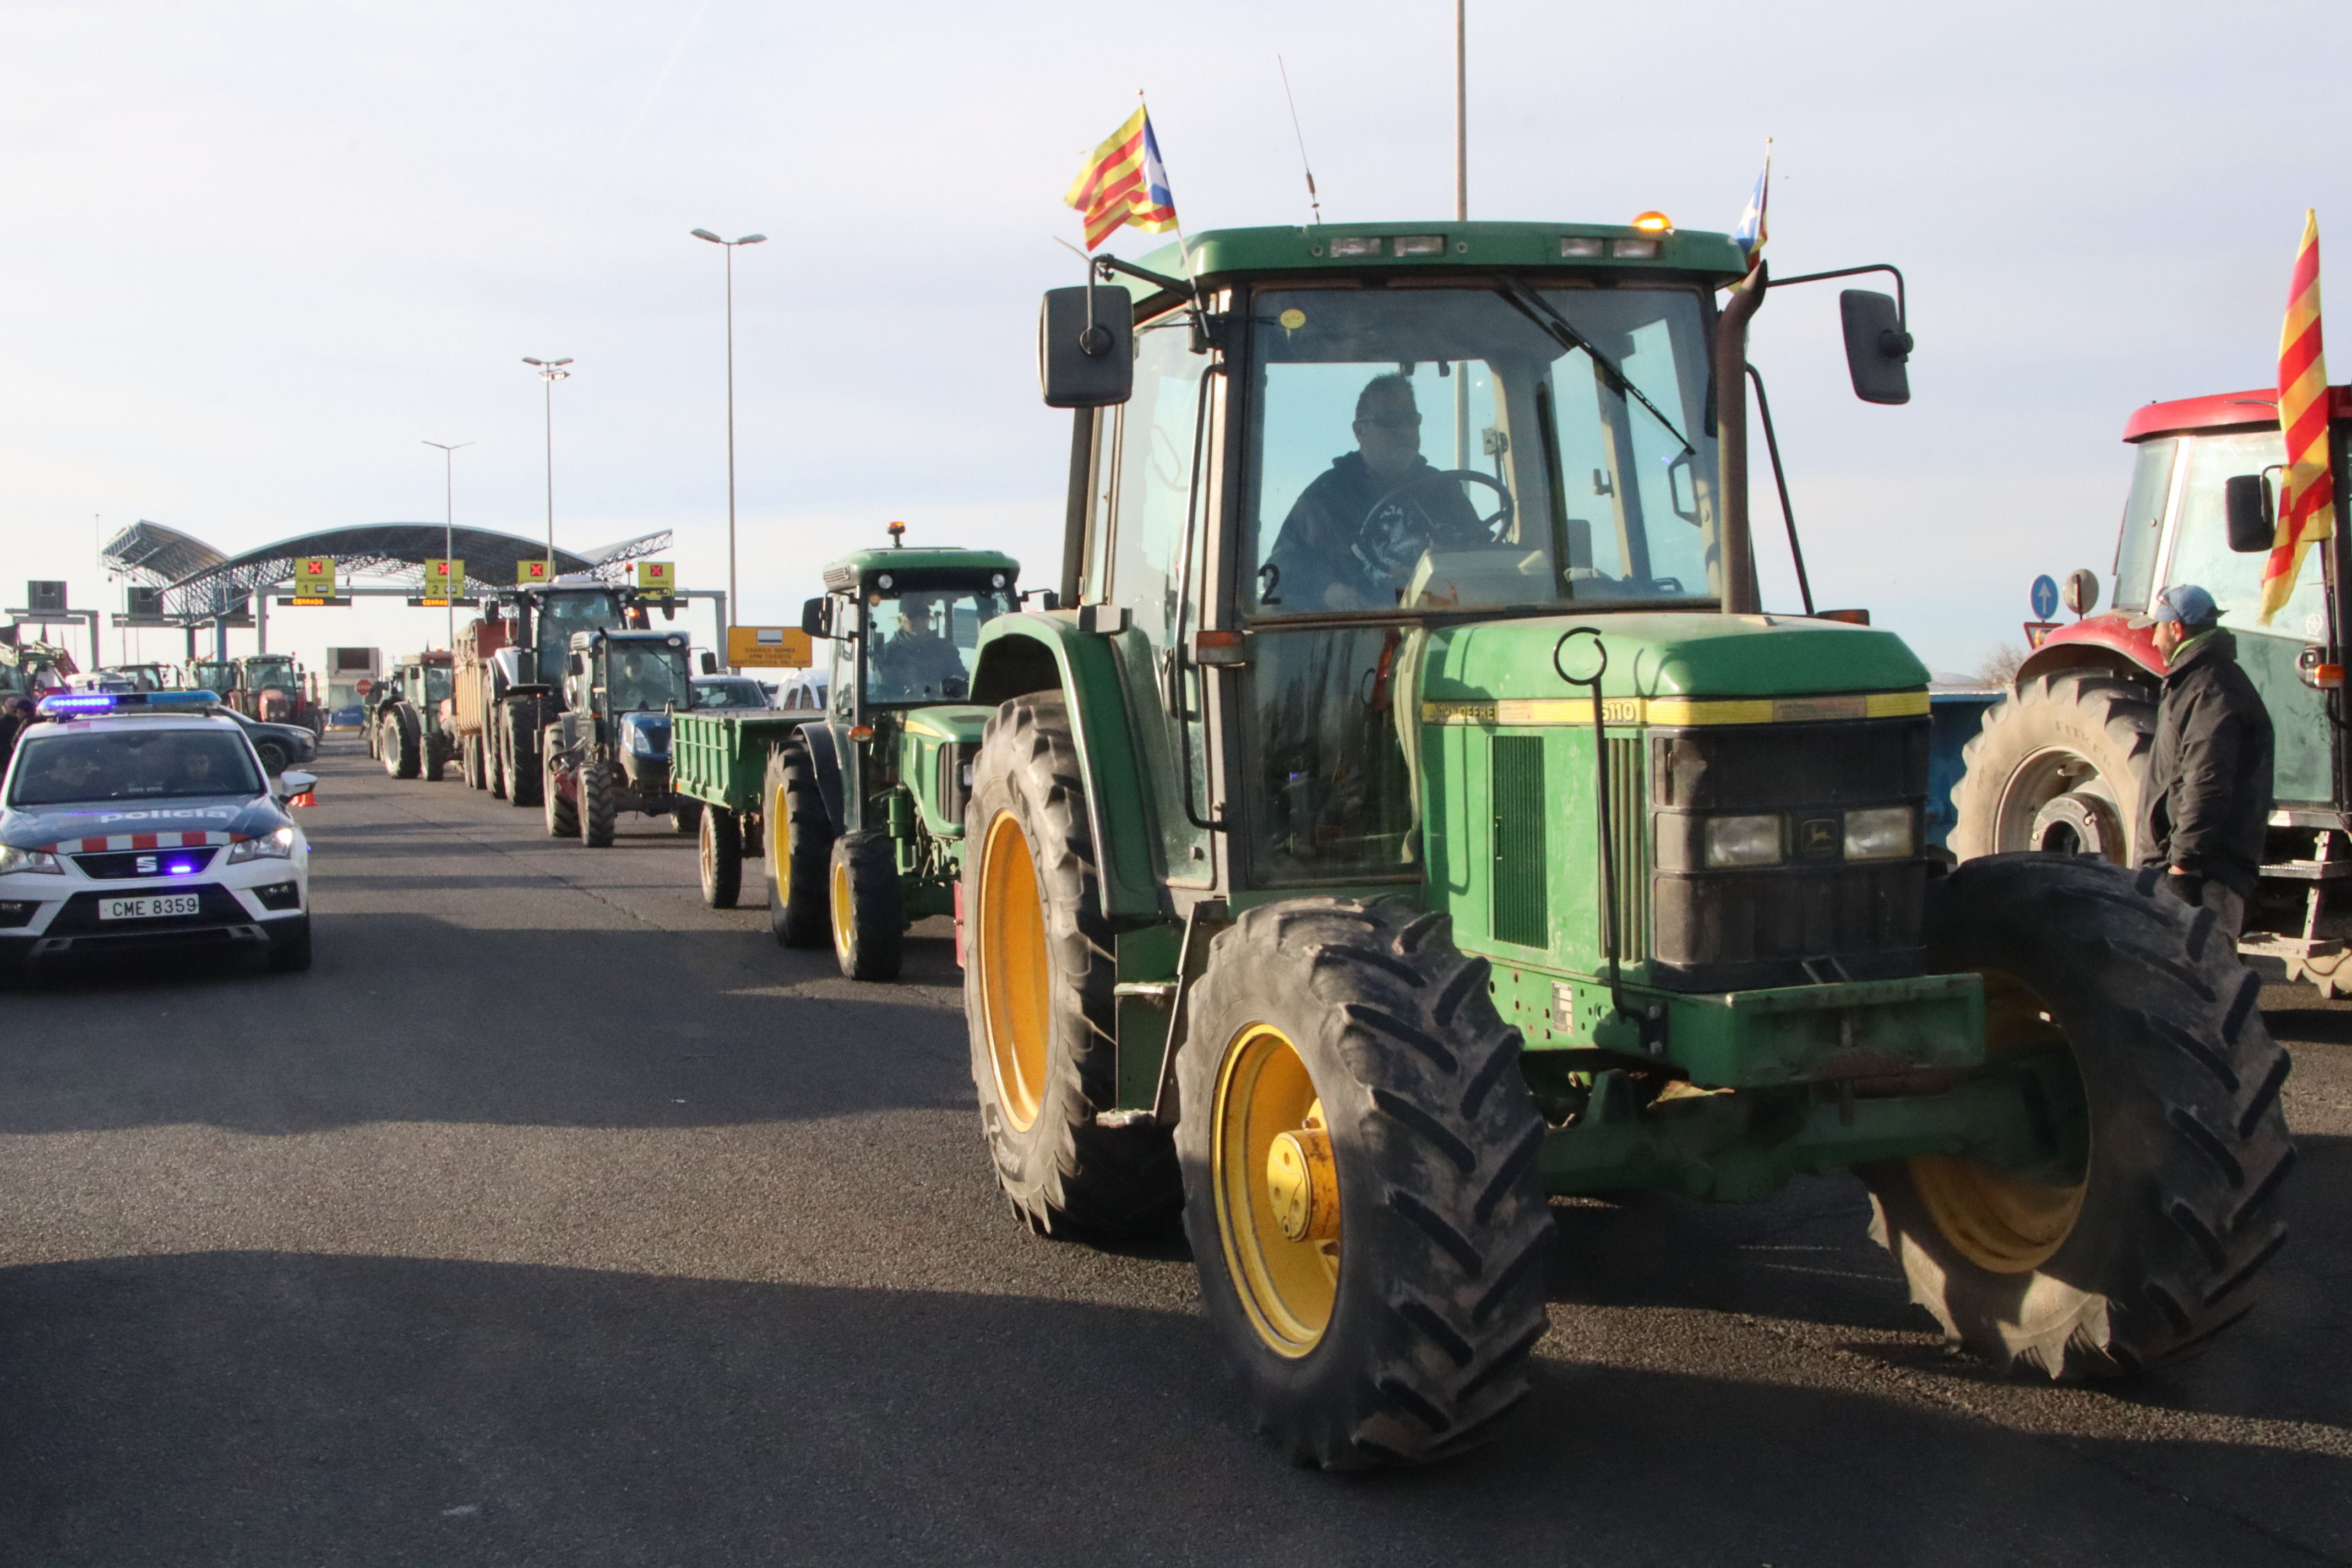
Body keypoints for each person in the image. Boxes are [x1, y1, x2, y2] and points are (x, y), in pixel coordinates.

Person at [1262, 373, 1489, 611]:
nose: (1404, 431)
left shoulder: (1444, 490)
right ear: (1360, 432)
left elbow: (1484, 554)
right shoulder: (1326, 497)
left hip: (1436, 626)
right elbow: (1277, 569)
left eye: (1411, 421)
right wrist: (1327, 590)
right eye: (1390, 421)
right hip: (1357, 636)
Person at [2133, 584, 2274, 938]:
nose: (2153, 640)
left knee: (2208, 984)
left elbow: (2206, 782)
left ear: (2176, 629)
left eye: (2157, 628)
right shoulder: (2195, 684)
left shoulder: (2212, 690)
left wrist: (2183, 865)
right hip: (2187, 867)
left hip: (2203, 877)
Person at [872, 594, 970, 698]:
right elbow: (885, 691)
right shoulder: (889, 653)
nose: (919, 620)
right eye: (912, 616)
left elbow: (962, 679)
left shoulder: (946, 649)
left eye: (924, 615)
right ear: (901, 620)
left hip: (942, 708)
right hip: (903, 709)